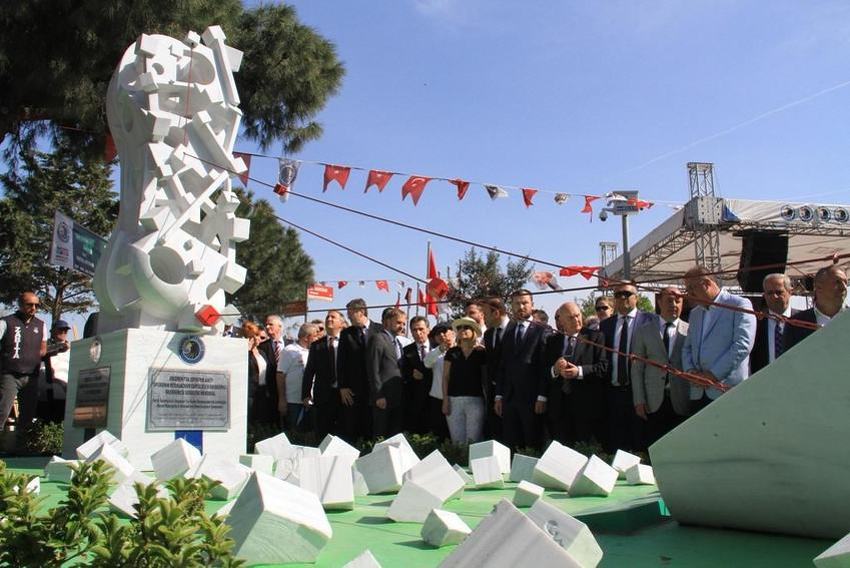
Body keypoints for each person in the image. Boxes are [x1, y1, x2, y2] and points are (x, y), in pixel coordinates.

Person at [682, 266, 757, 413]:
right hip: (698, 393)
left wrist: (713, 375)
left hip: (727, 391)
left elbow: (742, 345)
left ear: (707, 284)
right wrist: (691, 372)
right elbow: (687, 348)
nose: (688, 294)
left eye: (691, 288)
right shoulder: (695, 313)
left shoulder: (739, 304)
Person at [600, 281, 657, 452]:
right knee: (617, 444)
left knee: (641, 442)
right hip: (614, 392)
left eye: (627, 294)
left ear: (636, 297)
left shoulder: (650, 320)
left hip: (640, 392)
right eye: (618, 294)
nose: (622, 297)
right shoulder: (606, 325)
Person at [631, 287, 691, 446]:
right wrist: (639, 400)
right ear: (659, 302)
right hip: (653, 401)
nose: (674, 304)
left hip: (681, 400)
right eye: (669, 300)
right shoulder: (644, 331)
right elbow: (637, 369)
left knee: (681, 447)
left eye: (678, 300)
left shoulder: (691, 330)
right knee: (655, 446)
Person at [543, 302, 607, 446]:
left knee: (585, 449)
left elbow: (603, 367)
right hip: (560, 409)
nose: (576, 320)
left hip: (585, 407)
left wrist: (579, 371)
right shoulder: (553, 341)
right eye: (571, 318)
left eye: (578, 315)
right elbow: (543, 372)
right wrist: (555, 370)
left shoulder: (595, 338)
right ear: (561, 321)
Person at [494, 289, 551, 451]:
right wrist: (498, 396)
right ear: (511, 306)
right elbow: (503, 365)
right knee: (512, 445)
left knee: (532, 444)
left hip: (532, 399)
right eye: (517, 303)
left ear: (532, 305)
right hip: (510, 399)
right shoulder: (509, 331)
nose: (521, 306)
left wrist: (542, 396)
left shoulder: (543, 330)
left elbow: (544, 366)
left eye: (525, 302)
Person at [0, 291, 48, 430]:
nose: (34, 308)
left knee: (28, 415)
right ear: (20, 305)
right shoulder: (6, 322)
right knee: (2, 411)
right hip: (10, 374)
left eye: (36, 305)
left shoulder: (41, 325)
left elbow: (43, 348)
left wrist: (31, 356)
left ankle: (21, 447)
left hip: (31, 376)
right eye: (30, 304)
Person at [337, 298, 383, 443]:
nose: (348, 316)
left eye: (350, 312)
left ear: (361, 311)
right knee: (353, 426)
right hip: (354, 389)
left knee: (374, 425)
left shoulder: (380, 330)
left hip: (376, 387)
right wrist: (342, 386)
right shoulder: (346, 334)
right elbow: (341, 362)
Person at [302, 310, 346, 441]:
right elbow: (309, 371)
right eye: (327, 317)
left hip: (343, 395)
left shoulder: (347, 343)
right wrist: (305, 394)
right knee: (322, 432)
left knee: (342, 432)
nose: (329, 319)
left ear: (341, 323)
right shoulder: (316, 345)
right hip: (323, 396)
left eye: (333, 317)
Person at [441, 317, 487, 443]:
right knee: (457, 442)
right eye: (459, 327)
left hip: (476, 401)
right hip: (453, 400)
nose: (462, 330)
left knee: (473, 441)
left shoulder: (481, 353)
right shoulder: (451, 352)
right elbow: (445, 377)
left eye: (466, 327)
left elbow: (485, 379)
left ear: (474, 331)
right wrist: (445, 400)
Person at [784, 265, 848, 351]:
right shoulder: (796, 324)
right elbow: (789, 361)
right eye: (837, 282)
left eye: (845, 282)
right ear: (818, 287)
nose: (844, 287)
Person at [366, 307, 407, 437]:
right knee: (380, 435)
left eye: (404, 323)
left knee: (394, 435)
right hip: (383, 398)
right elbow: (373, 369)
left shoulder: (398, 342)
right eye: (399, 322)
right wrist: (378, 395)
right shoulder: (378, 339)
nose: (402, 326)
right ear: (388, 322)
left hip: (397, 398)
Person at [750, 273, 797, 374]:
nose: (774, 297)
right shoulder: (756, 323)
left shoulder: (803, 320)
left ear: (790, 292)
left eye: (779, 292)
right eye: (769, 293)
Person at [279, 323, 320, 432]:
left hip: (310, 401)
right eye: (315, 336)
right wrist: (282, 399)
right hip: (293, 401)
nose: (318, 339)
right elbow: (280, 375)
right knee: (293, 433)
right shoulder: (289, 351)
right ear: (307, 337)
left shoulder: (314, 351)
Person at [481, 297, 510, 440]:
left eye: (485, 313)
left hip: (513, 390)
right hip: (493, 390)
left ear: (496, 313)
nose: (483, 317)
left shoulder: (515, 329)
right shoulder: (488, 334)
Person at [401, 315, 432, 434]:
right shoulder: (406, 350)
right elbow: (403, 372)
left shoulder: (437, 347)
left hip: (435, 399)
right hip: (415, 400)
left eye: (421, 329)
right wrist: (411, 375)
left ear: (428, 330)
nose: (418, 333)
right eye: (414, 330)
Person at [423, 323, 454, 441]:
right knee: (439, 433)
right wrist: (441, 349)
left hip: (455, 398)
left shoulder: (461, 348)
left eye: (445, 331)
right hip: (438, 398)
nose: (442, 335)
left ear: (452, 332)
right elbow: (426, 363)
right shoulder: (435, 352)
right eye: (438, 333)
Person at [243, 321, 276, 426]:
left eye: (259, 336)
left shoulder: (262, 352)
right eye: (255, 336)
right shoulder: (244, 352)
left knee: (261, 422)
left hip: (262, 392)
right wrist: (247, 350)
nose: (258, 339)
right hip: (250, 393)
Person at [39, 319, 72, 423]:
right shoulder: (46, 346)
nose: (63, 333)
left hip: (67, 391)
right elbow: (44, 353)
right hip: (49, 390)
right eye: (60, 330)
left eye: (65, 331)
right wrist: (61, 347)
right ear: (53, 331)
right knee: (48, 420)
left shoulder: (72, 348)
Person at [258, 314, 283, 425]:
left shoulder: (291, 345)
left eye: (270, 324)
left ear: (280, 326)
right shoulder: (261, 347)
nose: (267, 327)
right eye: (266, 324)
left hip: (289, 392)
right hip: (269, 394)